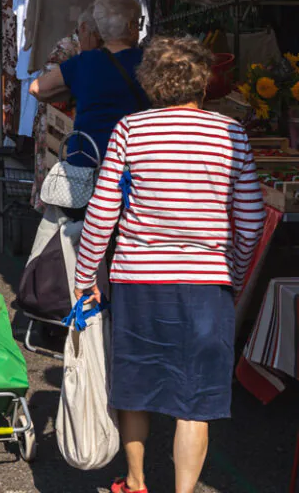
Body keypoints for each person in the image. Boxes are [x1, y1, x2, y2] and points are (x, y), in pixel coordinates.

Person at [73, 36, 265, 493]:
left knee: (135, 381)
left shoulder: (129, 130)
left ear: (151, 82)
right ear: (203, 81)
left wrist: (85, 279)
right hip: (206, 282)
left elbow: (102, 211)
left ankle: (136, 482)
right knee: (195, 399)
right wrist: (233, 272)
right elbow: (252, 219)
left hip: (138, 279)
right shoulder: (230, 133)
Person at [30, 0, 147, 218]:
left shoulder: (84, 62)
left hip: (88, 162)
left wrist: (74, 90)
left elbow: (36, 88)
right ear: (132, 26)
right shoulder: (146, 61)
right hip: (132, 163)